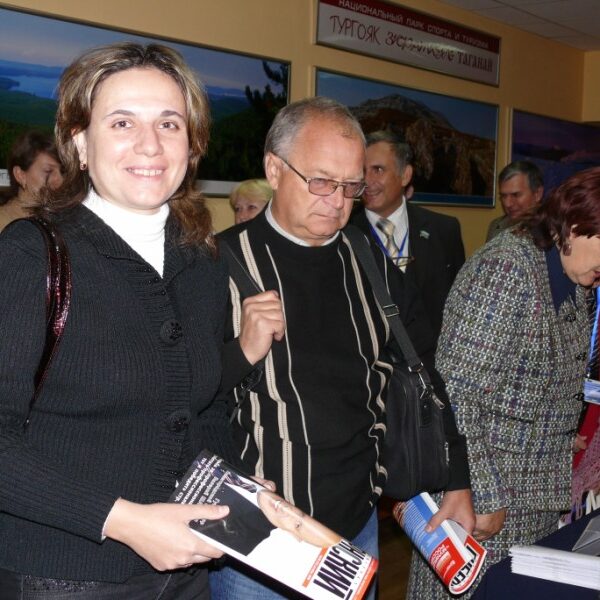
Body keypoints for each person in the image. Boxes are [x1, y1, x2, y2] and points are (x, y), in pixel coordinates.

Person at [211, 97, 474, 600]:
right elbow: (183, 397)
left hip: (356, 530)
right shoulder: (218, 263)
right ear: (274, 168)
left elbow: (421, 363)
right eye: (321, 181)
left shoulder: (364, 254)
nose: (337, 201)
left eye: (351, 187)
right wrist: (241, 351)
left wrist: (456, 478)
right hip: (258, 542)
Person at [0, 42, 235, 598]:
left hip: (184, 572)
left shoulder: (202, 259)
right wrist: (123, 520)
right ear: (80, 143)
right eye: (122, 122)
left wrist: (234, 490)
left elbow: (206, 410)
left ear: (192, 145)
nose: (150, 144)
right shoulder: (32, 255)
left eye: (169, 124)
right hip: (62, 576)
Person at [408, 167, 600, 599]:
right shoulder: (506, 269)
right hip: (484, 498)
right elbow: (455, 391)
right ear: (575, 226)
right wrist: (485, 495)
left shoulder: (573, 274)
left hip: (533, 493)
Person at [352, 130, 465, 343]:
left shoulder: (444, 230)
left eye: (378, 170)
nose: (367, 180)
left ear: (405, 175)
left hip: (433, 359)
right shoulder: (345, 233)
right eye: (363, 171)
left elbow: (459, 306)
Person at [0, 130, 63, 231]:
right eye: (48, 171)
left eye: (62, 172)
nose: (60, 180)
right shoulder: (4, 225)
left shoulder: (60, 219)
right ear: (20, 175)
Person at [486, 160, 544, 241]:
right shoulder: (496, 226)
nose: (507, 204)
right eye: (503, 196)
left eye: (516, 195)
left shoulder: (553, 228)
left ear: (537, 194)